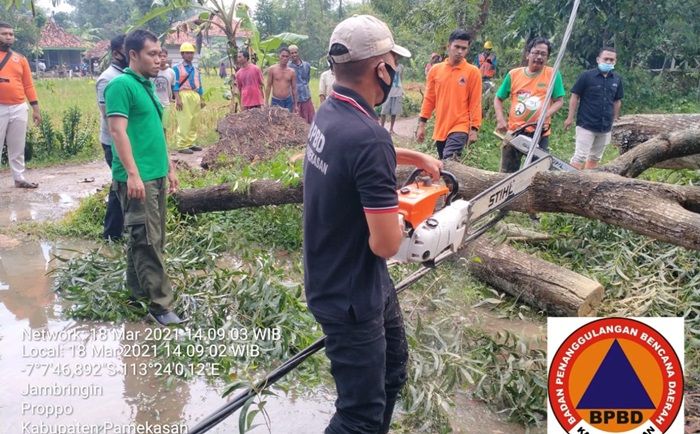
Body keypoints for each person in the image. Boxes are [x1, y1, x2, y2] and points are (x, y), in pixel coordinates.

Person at [304, 14, 442, 434]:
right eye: (392, 63)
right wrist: (418, 220)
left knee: (393, 369)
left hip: (348, 274)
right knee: (358, 415)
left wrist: (414, 158)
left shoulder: (331, 112)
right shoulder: (368, 135)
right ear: (381, 68)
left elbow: (356, 157)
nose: (395, 71)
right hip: (349, 295)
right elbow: (386, 244)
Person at [105, 29, 182, 326]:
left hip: (156, 174)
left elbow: (155, 133)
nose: (159, 59)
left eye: (160, 53)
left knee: (151, 236)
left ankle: (136, 290)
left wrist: (170, 168)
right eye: (152, 53)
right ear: (133, 55)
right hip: (138, 178)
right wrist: (133, 175)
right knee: (147, 240)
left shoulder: (146, 85)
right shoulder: (121, 86)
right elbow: (117, 132)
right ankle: (160, 306)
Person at [494, 37, 565, 173]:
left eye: (543, 54)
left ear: (547, 57)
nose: (539, 57)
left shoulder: (552, 74)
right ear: (528, 54)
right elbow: (498, 98)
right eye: (536, 52)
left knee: (537, 174)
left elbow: (559, 101)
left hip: (539, 132)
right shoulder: (514, 74)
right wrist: (500, 119)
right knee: (507, 172)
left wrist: (546, 114)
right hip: (515, 131)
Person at [417, 30, 482, 160]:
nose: (459, 51)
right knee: (444, 165)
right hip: (441, 128)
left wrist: (474, 128)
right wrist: (422, 124)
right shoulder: (435, 70)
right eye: (456, 47)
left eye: (463, 48)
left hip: (460, 126)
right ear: (448, 47)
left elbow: (475, 102)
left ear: (467, 50)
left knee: (449, 160)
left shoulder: (472, 72)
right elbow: (429, 99)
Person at [565, 47, 623, 169]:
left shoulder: (616, 79)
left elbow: (617, 101)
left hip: (605, 126)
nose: (608, 62)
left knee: (595, 158)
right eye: (606, 59)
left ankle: (587, 183)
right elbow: (575, 96)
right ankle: (569, 181)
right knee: (580, 156)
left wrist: (616, 119)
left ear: (615, 61)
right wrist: (570, 118)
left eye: (611, 60)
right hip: (586, 124)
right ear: (598, 59)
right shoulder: (586, 76)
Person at [0, 21, 41, 189]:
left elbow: (28, 85)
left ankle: (19, 177)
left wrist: (35, 109)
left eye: (11, 34)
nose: (9, 37)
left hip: (18, 107)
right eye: (4, 33)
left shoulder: (20, 59)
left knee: (17, 145)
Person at [96, 34, 128, 240]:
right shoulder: (108, 79)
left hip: (127, 139)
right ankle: (112, 234)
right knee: (120, 186)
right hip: (114, 143)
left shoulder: (128, 75)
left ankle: (116, 231)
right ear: (117, 53)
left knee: (121, 185)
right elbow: (110, 118)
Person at [172, 42, 204, 155]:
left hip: (194, 94)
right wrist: (178, 98)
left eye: (191, 53)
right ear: (182, 54)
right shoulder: (177, 68)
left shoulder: (195, 69)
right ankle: (182, 144)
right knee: (185, 119)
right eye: (187, 53)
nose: (190, 55)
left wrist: (201, 98)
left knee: (194, 120)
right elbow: (175, 84)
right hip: (183, 94)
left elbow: (199, 83)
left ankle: (191, 142)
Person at [288, 44, 315, 123]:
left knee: (310, 120)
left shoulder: (306, 65)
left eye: (295, 52)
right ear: (289, 55)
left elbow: (307, 79)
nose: (294, 55)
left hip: (306, 97)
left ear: (298, 53)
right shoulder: (288, 67)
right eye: (292, 53)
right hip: (295, 100)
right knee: (297, 123)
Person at [265, 47, 297, 112]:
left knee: (288, 120)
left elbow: (294, 89)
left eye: (286, 56)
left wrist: (295, 104)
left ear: (289, 58)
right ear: (279, 56)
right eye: (283, 56)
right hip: (275, 101)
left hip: (288, 101)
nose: (284, 58)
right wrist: (266, 102)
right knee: (275, 120)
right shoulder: (272, 69)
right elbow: (268, 86)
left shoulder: (292, 72)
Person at [152, 47, 175, 129]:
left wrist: (173, 98)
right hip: (153, 104)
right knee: (154, 127)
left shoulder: (171, 72)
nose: (162, 58)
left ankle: (164, 142)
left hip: (166, 104)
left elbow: (173, 87)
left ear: (167, 57)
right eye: (160, 56)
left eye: (164, 56)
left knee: (164, 128)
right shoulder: (152, 70)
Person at [380, 59, 404, 134]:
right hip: (388, 91)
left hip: (397, 91)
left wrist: (402, 90)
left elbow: (401, 78)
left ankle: (391, 129)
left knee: (394, 112)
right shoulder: (388, 66)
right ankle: (382, 128)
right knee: (384, 111)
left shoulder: (401, 67)